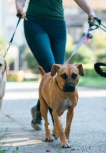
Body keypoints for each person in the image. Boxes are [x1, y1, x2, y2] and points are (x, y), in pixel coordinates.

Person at [15, 0, 95, 130]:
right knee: (51, 69)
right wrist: (19, 7)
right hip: (34, 22)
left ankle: (39, 109)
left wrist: (90, 11)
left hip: (58, 24)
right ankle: (56, 126)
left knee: (59, 74)